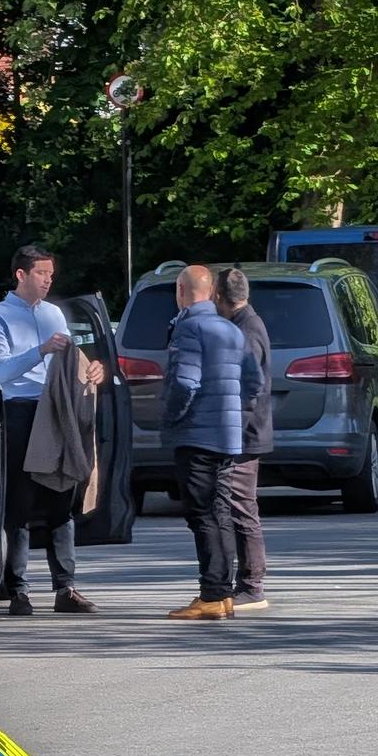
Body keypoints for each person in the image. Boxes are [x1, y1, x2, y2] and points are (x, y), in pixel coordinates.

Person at [0, 244, 104, 616]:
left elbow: (71, 362)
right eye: (41, 273)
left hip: (56, 410)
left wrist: (93, 371)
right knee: (19, 502)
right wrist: (39, 350)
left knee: (62, 496)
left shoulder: (55, 313)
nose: (48, 280)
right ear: (20, 275)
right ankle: (18, 590)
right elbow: (0, 372)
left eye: (51, 274)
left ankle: (65, 587)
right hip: (20, 410)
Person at [162, 264, 245, 621]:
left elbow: (185, 383)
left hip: (197, 434)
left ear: (181, 290)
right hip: (227, 434)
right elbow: (253, 379)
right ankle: (222, 593)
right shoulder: (230, 329)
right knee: (220, 512)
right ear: (211, 291)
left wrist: (172, 417)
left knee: (202, 515)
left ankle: (212, 594)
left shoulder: (189, 327)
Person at [218, 267, 272, 611]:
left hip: (245, 434)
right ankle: (247, 582)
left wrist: (232, 431)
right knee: (239, 506)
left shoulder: (247, 328)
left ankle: (252, 585)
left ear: (220, 297)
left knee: (241, 508)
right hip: (246, 431)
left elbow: (250, 386)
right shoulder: (244, 324)